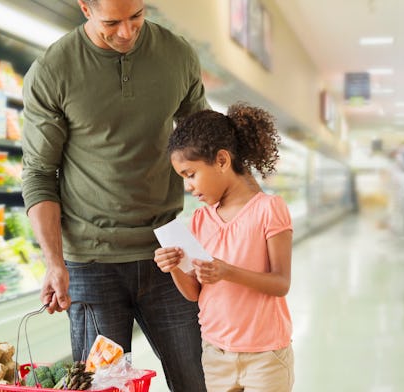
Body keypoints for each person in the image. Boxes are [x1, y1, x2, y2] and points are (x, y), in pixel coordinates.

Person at [21, 0, 208, 390]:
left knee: (197, 380)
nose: (126, 32)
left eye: (136, 16)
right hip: (91, 263)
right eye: (112, 22)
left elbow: (202, 144)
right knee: (102, 386)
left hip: (168, 253)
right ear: (85, 7)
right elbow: (39, 173)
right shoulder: (53, 70)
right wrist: (55, 263)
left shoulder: (177, 54)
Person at [154, 103, 295, 392]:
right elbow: (194, 293)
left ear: (221, 160)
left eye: (191, 174)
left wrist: (227, 271)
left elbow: (281, 283)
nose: (189, 186)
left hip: (265, 356)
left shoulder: (269, 209)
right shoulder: (199, 220)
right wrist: (175, 268)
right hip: (216, 352)